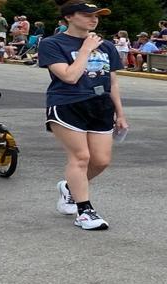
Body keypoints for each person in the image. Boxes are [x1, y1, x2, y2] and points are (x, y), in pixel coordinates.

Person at [41, 2, 127, 231]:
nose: (93, 19)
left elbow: (113, 81)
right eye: (87, 14)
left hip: (100, 105)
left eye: (96, 15)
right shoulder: (52, 43)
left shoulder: (106, 46)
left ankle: (69, 188)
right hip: (67, 104)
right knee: (81, 157)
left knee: (101, 161)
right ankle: (85, 211)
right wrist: (86, 49)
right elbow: (69, 76)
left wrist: (120, 113)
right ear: (69, 17)